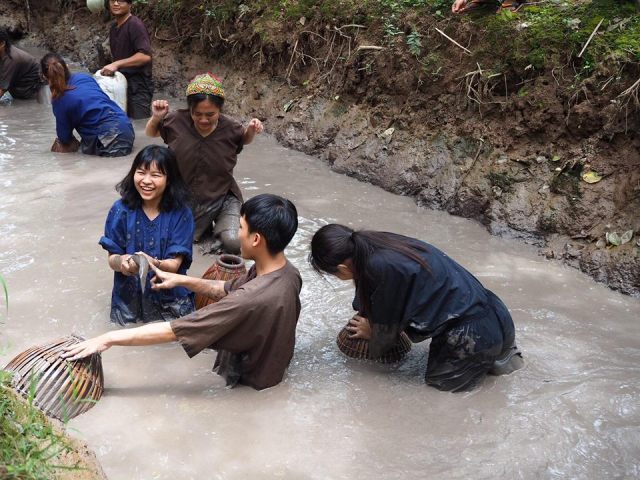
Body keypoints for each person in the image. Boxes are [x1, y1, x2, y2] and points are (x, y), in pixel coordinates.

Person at [64, 194, 302, 391]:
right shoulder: (288, 273)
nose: (238, 234)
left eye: (241, 227)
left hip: (250, 386)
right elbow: (227, 289)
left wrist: (108, 338)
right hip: (274, 373)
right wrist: (181, 280)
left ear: (256, 239)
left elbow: (174, 331)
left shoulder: (248, 299)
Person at [309, 224, 524, 392]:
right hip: (496, 316)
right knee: (506, 381)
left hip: (469, 338)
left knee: (440, 396)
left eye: (334, 275)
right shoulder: (374, 243)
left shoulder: (378, 270)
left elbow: (385, 335)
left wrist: (372, 335)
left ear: (342, 268)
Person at [145, 73, 264, 255]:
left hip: (222, 196)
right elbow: (151, 133)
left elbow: (243, 140)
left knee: (233, 243)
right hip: (182, 195)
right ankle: (203, 229)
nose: (203, 120)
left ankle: (217, 229)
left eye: (210, 114)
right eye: (197, 114)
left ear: (220, 110)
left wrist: (251, 131)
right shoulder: (176, 121)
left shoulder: (231, 128)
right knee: (165, 238)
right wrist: (156, 117)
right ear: (190, 110)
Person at [101, 144, 195, 325]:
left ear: (169, 180)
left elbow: (175, 264)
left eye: (156, 175)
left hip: (170, 300)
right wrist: (122, 262)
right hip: (128, 301)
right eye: (141, 172)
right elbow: (111, 258)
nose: (146, 180)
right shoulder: (120, 210)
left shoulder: (181, 213)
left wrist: (153, 263)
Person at [40, 53, 134, 156]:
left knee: (60, 147)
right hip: (126, 127)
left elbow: (64, 138)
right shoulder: (84, 77)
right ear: (66, 66)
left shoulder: (59, 99)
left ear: (45, 77)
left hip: (109, 140)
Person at [101, 0, 153, 119]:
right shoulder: (114, 28)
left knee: (140, 122)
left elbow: (145, 56)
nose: (116, 4)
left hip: (139, 85)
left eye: (121, 1)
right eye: (113, 0)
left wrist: (117, 64)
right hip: (121, 83)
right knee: (123, 121)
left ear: (130, 4)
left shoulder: (135, 24)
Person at [0, 28, 43, 101]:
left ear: (2, 44)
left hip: (31, 90)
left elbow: (2, 89)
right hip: (20, 83)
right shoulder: (4, 51)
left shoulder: (11, 58)